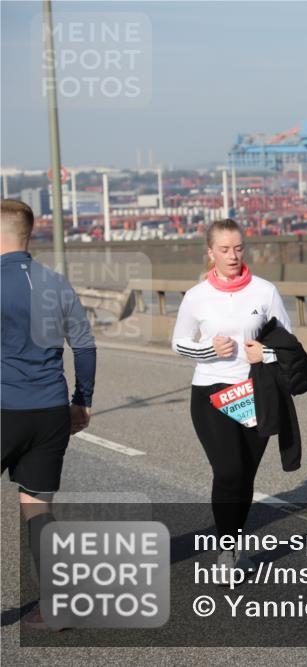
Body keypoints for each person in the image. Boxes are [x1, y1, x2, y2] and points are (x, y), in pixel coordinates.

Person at [171, 218, 292, 579]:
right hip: (211, 392)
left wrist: (265, 355)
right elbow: (178, 342)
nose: (233, 255)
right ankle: (225, 549)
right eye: (224, 249)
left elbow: (288, 341)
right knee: (228, 471)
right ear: (210, 253)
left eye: (238, 248)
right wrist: (208, 350)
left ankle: (233, 538)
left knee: (245, 478)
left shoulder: (264, 291)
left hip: (256, 392)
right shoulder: (196, 297)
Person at [1, 199, 96, 628]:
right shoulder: (56, 282)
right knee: (36, 506)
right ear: (29, 234)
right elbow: (86, 346)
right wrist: (82, 400)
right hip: (50, 410)